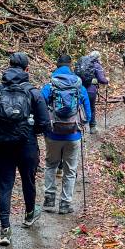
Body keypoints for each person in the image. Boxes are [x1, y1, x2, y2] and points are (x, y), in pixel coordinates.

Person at [0, 52, 50, 247]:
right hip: (27, 145)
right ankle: (29, 215)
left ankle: (5, 229)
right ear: (27, 69)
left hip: (3, 145)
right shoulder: (33, 92)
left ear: (9, 66)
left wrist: (1, 129)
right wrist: (29, 131)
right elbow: (44, 122)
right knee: (28, 181)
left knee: (5, 186)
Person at [40, 55, 91, 215]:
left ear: (56, 66)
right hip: (73, 135)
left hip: (53, 134)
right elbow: (88, 114)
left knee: (50, 165)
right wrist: (80, 125)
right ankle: (65, 204)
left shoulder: (50, 86)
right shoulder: (79, 86)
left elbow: (41, 109)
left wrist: (46, 127)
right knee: (70, 170)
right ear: (70, 66)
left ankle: (49, 200)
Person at [75, 51, 109, 134]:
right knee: (91, 108)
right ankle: (92, 127)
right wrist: (107, 80)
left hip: (79, 89)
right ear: (97, 58)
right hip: (91, 91)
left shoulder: (81, 64)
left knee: (78, 107)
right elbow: (102, 79)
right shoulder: (97, 66)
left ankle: (77, 126)